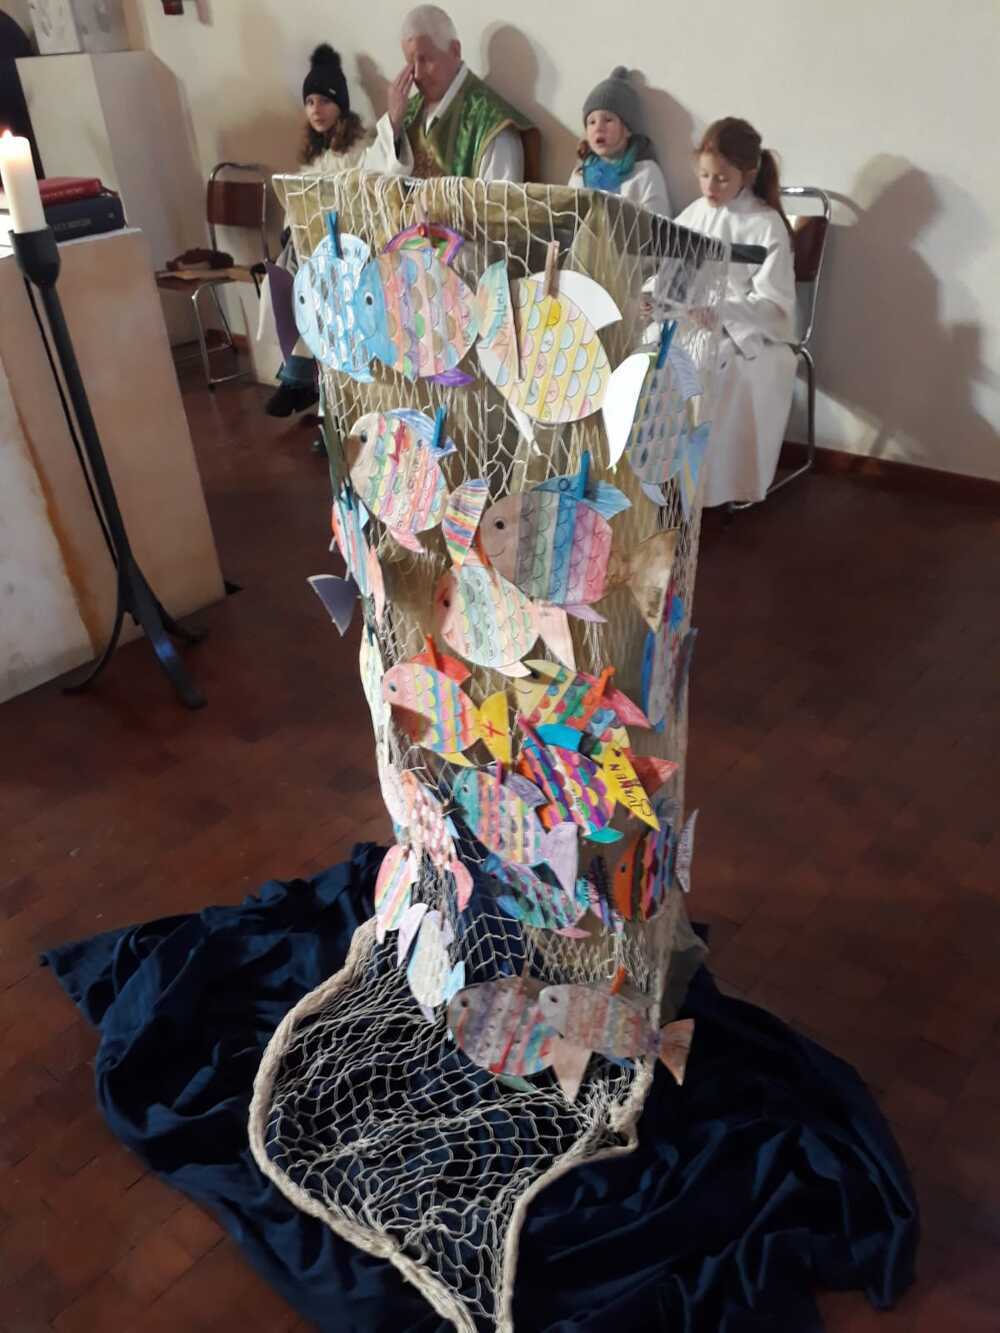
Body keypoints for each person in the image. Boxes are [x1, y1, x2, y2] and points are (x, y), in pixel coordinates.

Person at [673, 117, 797, 507]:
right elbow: (670, 270)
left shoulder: (766, 224)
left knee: (710, 367)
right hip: (690, 320)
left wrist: (721, 311)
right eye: (704, 175)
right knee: (648, 354)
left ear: (748, 174)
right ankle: (660, 480)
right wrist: (653, 296)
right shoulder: (695, 212)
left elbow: (774, 305)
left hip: (744, 331)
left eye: (722, 179)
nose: (710, 187)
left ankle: (708, 489)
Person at [262, 44, 377, 418]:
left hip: (350, 245)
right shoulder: (314, 154)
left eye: (324, 101)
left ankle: (302, 382)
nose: (316, 109)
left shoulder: (359, 149)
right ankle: (301, 377)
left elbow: (358, 200)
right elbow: (300, 201)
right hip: (315, 243)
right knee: (281, 277)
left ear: (340, 104)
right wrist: (291, 229)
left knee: (316, 290)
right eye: (309, 102)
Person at [371, 4, 539, 182]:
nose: (417, 74)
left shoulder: (491, 125)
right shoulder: (405, 114)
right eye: (410, 62)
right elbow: (366, 184)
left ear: (455, 51)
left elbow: (498, 198)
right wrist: (393, 126)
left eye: (426, 59)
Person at [568, 67, 670, 216]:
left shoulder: (645, 173)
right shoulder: (581, 173)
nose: (598, 128)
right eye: (591, 122)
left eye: (608, 120)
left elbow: (660, 224)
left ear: (627, 129)